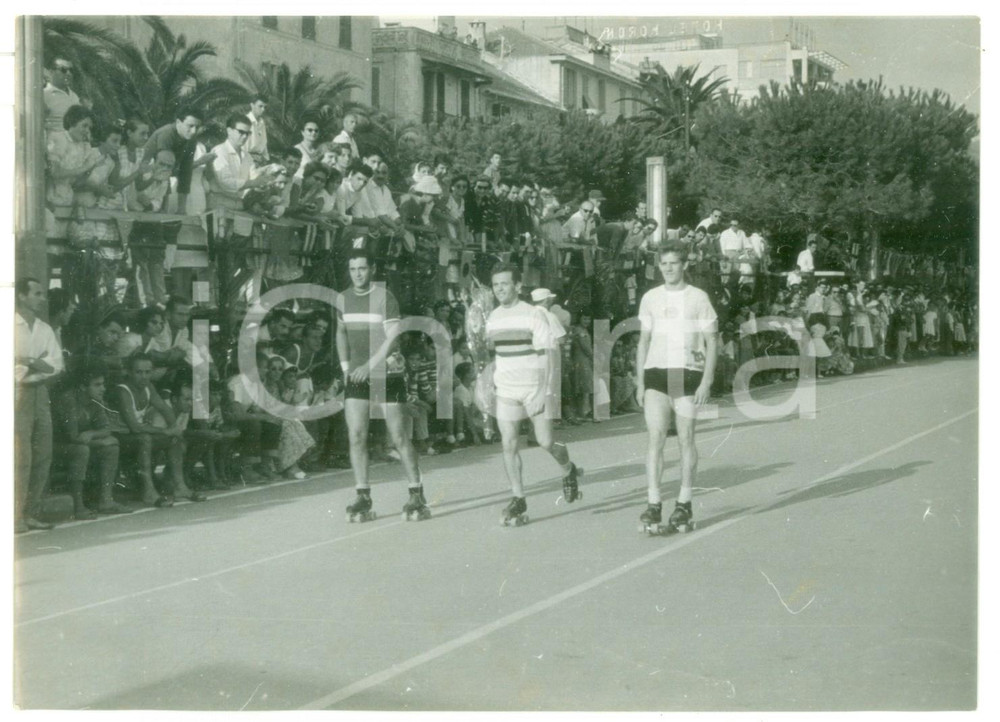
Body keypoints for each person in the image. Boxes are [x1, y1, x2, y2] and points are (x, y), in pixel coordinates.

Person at [336, 250, 431, 522]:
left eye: (362, 268)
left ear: (372, 269)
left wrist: (370, 366)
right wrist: (346, 368)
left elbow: (391, 338)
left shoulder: (384, 298)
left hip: (386, 373)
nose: (357, 273)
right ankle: (362, 494)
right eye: (353, 268)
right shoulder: (343, 299)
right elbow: (340, 333)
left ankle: (416, 491)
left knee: (399, 435)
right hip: (356, 375)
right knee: (356, 435)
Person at [486, 263, 582, 526]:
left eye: (505, 283)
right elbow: (496, 355)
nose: (500, 289)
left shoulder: (533, 315)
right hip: (506, 390)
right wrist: (487, 382)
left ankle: (568, 469)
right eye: (495, 285)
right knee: (508, 443)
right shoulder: (492, 317)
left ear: (518, 286)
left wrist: (544, 391)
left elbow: (549, 355)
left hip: (534, 388)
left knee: (545, 442)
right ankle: (518, 498)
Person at [635, 243, 718, 534]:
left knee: (685, 438)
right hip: (656, 373)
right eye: (664, 264)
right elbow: (643, 341)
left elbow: (712, 341)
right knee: (655, 437)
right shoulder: (650, 298)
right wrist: (639, 379)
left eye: (674, 263)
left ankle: (684, 502)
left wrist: (707, 380)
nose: (669, 268)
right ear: (659, 266)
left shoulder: (698, 298)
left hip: (688, 373)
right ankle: (654, 502)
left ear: (684, 265)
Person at [114, 353, 207, 506]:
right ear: (129, 372)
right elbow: (134, 427)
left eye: (147, 372)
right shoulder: (123, 390)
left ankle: (180, 487)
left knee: (174, 439)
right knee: (146, 438)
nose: (144, 376)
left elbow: (164, 409)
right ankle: (148, 492)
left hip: (139, 435)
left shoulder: (148, 387)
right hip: (122, 435)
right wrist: (165, 431)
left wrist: (174, 429)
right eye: (138, 372)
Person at [15, 278, 65, 532]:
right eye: (36, 293)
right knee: (19, 455)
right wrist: (35, 363)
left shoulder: (45, 329)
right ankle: (13, 516)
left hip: (40, 394)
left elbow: (56, 364)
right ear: (22, 296)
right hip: (16, 394)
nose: (41, 298)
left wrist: (27, 360)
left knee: (42, 454)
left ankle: (31, 512)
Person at [56, 362, 133, 517]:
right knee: (83, 450)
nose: (102, 388)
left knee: (110, 447)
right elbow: (73, 437)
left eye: (103, 384)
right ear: (83, 387)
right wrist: (102, 439)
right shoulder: (69, 400)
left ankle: (106, 501)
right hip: (58, 446)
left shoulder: (95, 400)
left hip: (81, 444)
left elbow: (106, 428)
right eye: (97, 385)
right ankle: (78, 507)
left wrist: (92, 434)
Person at [142, 106, 202, 214]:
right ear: (178, 122)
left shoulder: (191, 139)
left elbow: (186, 173)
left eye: (197, 127)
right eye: (190, 126)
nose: (193, 131)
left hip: (160, 181)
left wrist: (182, 209)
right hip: (143, 180)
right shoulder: (167, 134)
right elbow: (162, 169)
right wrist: (164, 208)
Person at [43, 56, 82, 133]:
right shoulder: (43, 95)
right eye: (63, 70)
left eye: (71, 70)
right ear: (51, 72)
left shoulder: (74, 96)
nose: (68, 73)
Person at [246, 95, 269, 166]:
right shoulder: (245, 121)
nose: (263, 109)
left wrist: (266, 160)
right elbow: (242, 147)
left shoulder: (262, 122)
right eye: (260, 106)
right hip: (247, 160)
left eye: (265, 107)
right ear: (252, 105)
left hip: (260, 161)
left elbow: (264, 144)